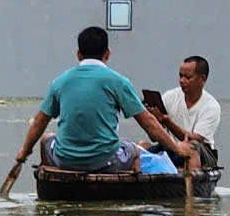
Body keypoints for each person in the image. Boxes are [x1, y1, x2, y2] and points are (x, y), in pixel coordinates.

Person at [11, 25, 198, 177]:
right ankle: (132, 199)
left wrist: (23, 154)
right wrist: (177, 148)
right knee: (134, 150)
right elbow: (148, 122)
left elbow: (40, 122)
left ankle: (53, 178)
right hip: (105, 161)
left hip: (66, 160)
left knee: (46, 139)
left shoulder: (60, 81)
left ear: (78, 54)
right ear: (107, 54)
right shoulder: (118, 81)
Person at [160, 55, 221, 163]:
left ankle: (191, 179)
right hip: (172, 150)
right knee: (141, 147)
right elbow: (154, 136)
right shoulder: (169, 97)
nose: (182, 81)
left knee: (192, 146)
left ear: (202, 79)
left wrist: (168, 123)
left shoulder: (211, 106)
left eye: (187, 77)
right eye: (180, 76)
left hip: (201, 154)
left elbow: (195, 139)